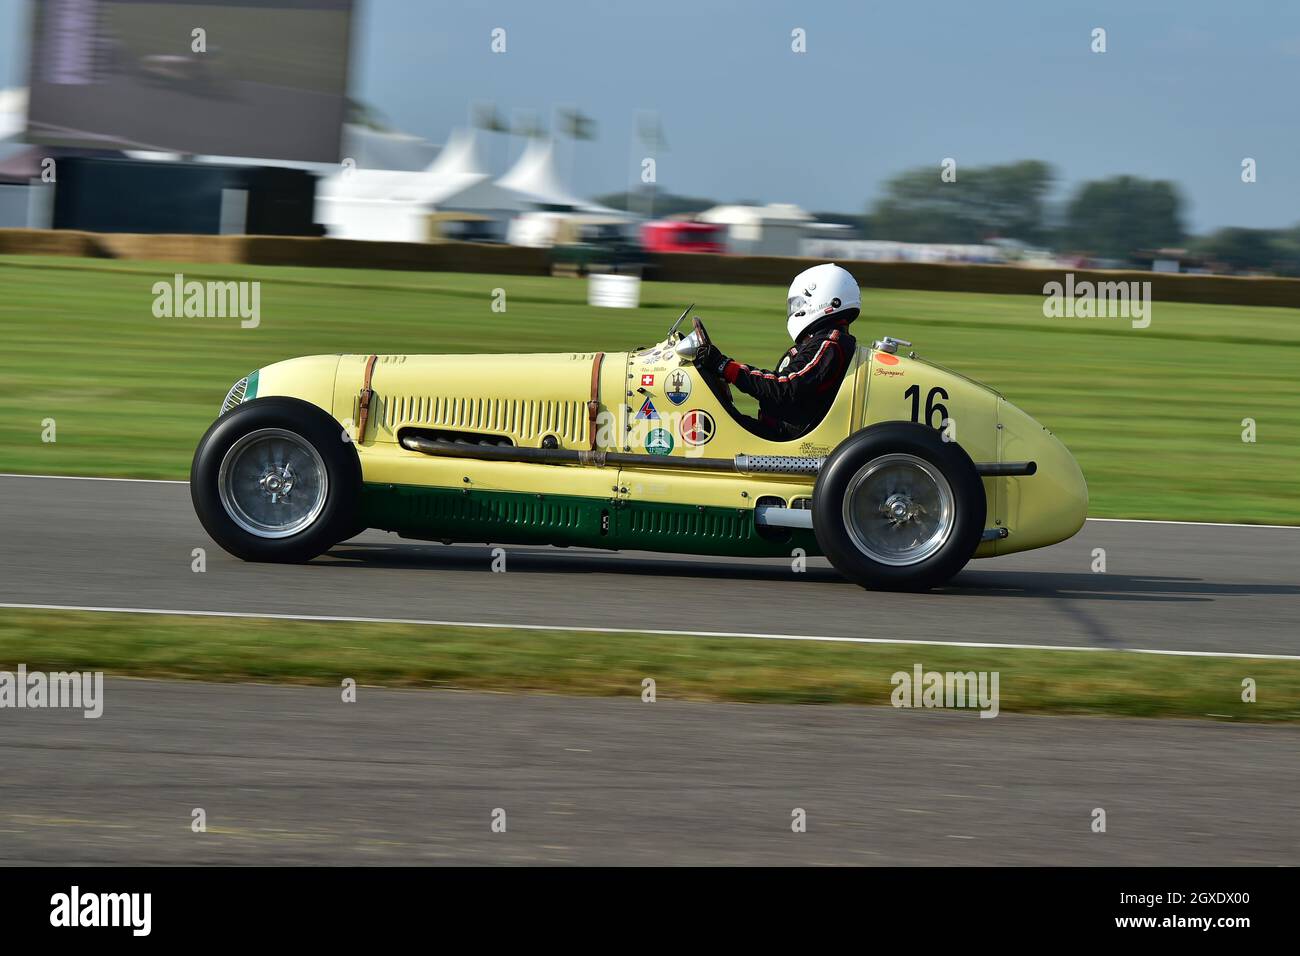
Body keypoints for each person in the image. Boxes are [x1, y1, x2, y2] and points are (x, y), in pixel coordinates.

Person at [694, 263, 860, 441]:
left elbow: (785, 387)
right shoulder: (822, 342)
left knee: (700, 425)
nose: (795, 309)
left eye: (799, 303)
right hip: (778, 431)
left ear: (827, 300)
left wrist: (726, 367)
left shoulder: (829, 345)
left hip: (783, 438)